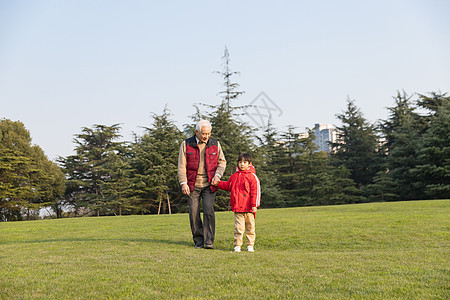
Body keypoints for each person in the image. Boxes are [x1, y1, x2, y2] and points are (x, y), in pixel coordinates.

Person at [178, 120, 226, 249]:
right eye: (204, 133)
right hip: (192, 184)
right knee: (193, 213)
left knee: (208, 211)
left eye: (209, 133)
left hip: (209, 184)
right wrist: (183, 183)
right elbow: (182, 166)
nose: (206, 136)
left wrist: (218, 175)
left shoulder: (215, 144)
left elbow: (222, 162)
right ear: (196, 132)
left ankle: (209, 241)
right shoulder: (186, 144)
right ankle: (198, 241)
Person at [212, 152, 261, 252]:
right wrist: (218, 184)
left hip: (249, 209)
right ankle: (237, 245)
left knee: (250, 228)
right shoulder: (234, 176)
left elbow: (255, 192)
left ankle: (250, 245)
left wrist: (254, 205)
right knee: (238, 228)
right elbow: (228, 186)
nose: (242, 164)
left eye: (244, 162)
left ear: (250, 164)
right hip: (238, 208)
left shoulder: (253, 177)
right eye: (240, 162)